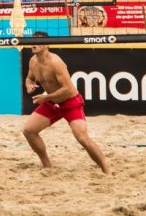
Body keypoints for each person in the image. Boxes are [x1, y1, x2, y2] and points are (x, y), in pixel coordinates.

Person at [22, 30, 110, 175]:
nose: (33, 44)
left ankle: (107, 170)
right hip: (52, 103)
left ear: (46, 45)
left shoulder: (56, 62)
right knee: (29, 131)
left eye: (37, 41)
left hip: (70, 102)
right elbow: (30, 78)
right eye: (32, 40)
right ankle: (47, 166)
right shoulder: (33, 61)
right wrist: (29, 84)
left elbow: (68, 89)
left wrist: (46, 98)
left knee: (82, 138)